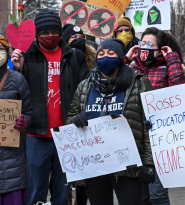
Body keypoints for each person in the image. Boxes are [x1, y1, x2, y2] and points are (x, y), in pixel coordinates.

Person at [11, 9, 90, 205]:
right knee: (35, 190)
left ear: (60, 32)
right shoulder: (27, 55)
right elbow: (16, 91)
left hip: (67, 133)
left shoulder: (75, 56)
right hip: (36, 134)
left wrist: (82, 114)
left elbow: (86, 90)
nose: (50, 36)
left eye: (54, 32)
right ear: (37, 34)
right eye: (44, 33)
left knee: (62, 190)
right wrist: (19, 68)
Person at [66, 38, 155, 205]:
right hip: (95, 165)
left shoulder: (138, 83)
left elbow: (149, 125)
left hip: (128, 165)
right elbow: (70, 118)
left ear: (120, 58)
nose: (105, 57)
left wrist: (148, 163)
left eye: (111, 53)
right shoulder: (85, 86)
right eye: (101, 53)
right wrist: (75, 120)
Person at [125, 27, 185, 205]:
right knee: (141, 196)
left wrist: (172, 59)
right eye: (142, 43)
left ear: (161, 48)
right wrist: (127, 58)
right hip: (135, 138)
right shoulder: (131, 68)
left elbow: (180, 92)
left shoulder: (167, 68)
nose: (145, 46)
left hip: (159, 139)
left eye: (150, 44)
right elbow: (110, 80)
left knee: (157, 194)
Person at [0, 29, 33, 205]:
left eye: (1, 49)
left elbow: (29, 112)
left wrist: (24, 121)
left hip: (12, 164)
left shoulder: (18, 79)